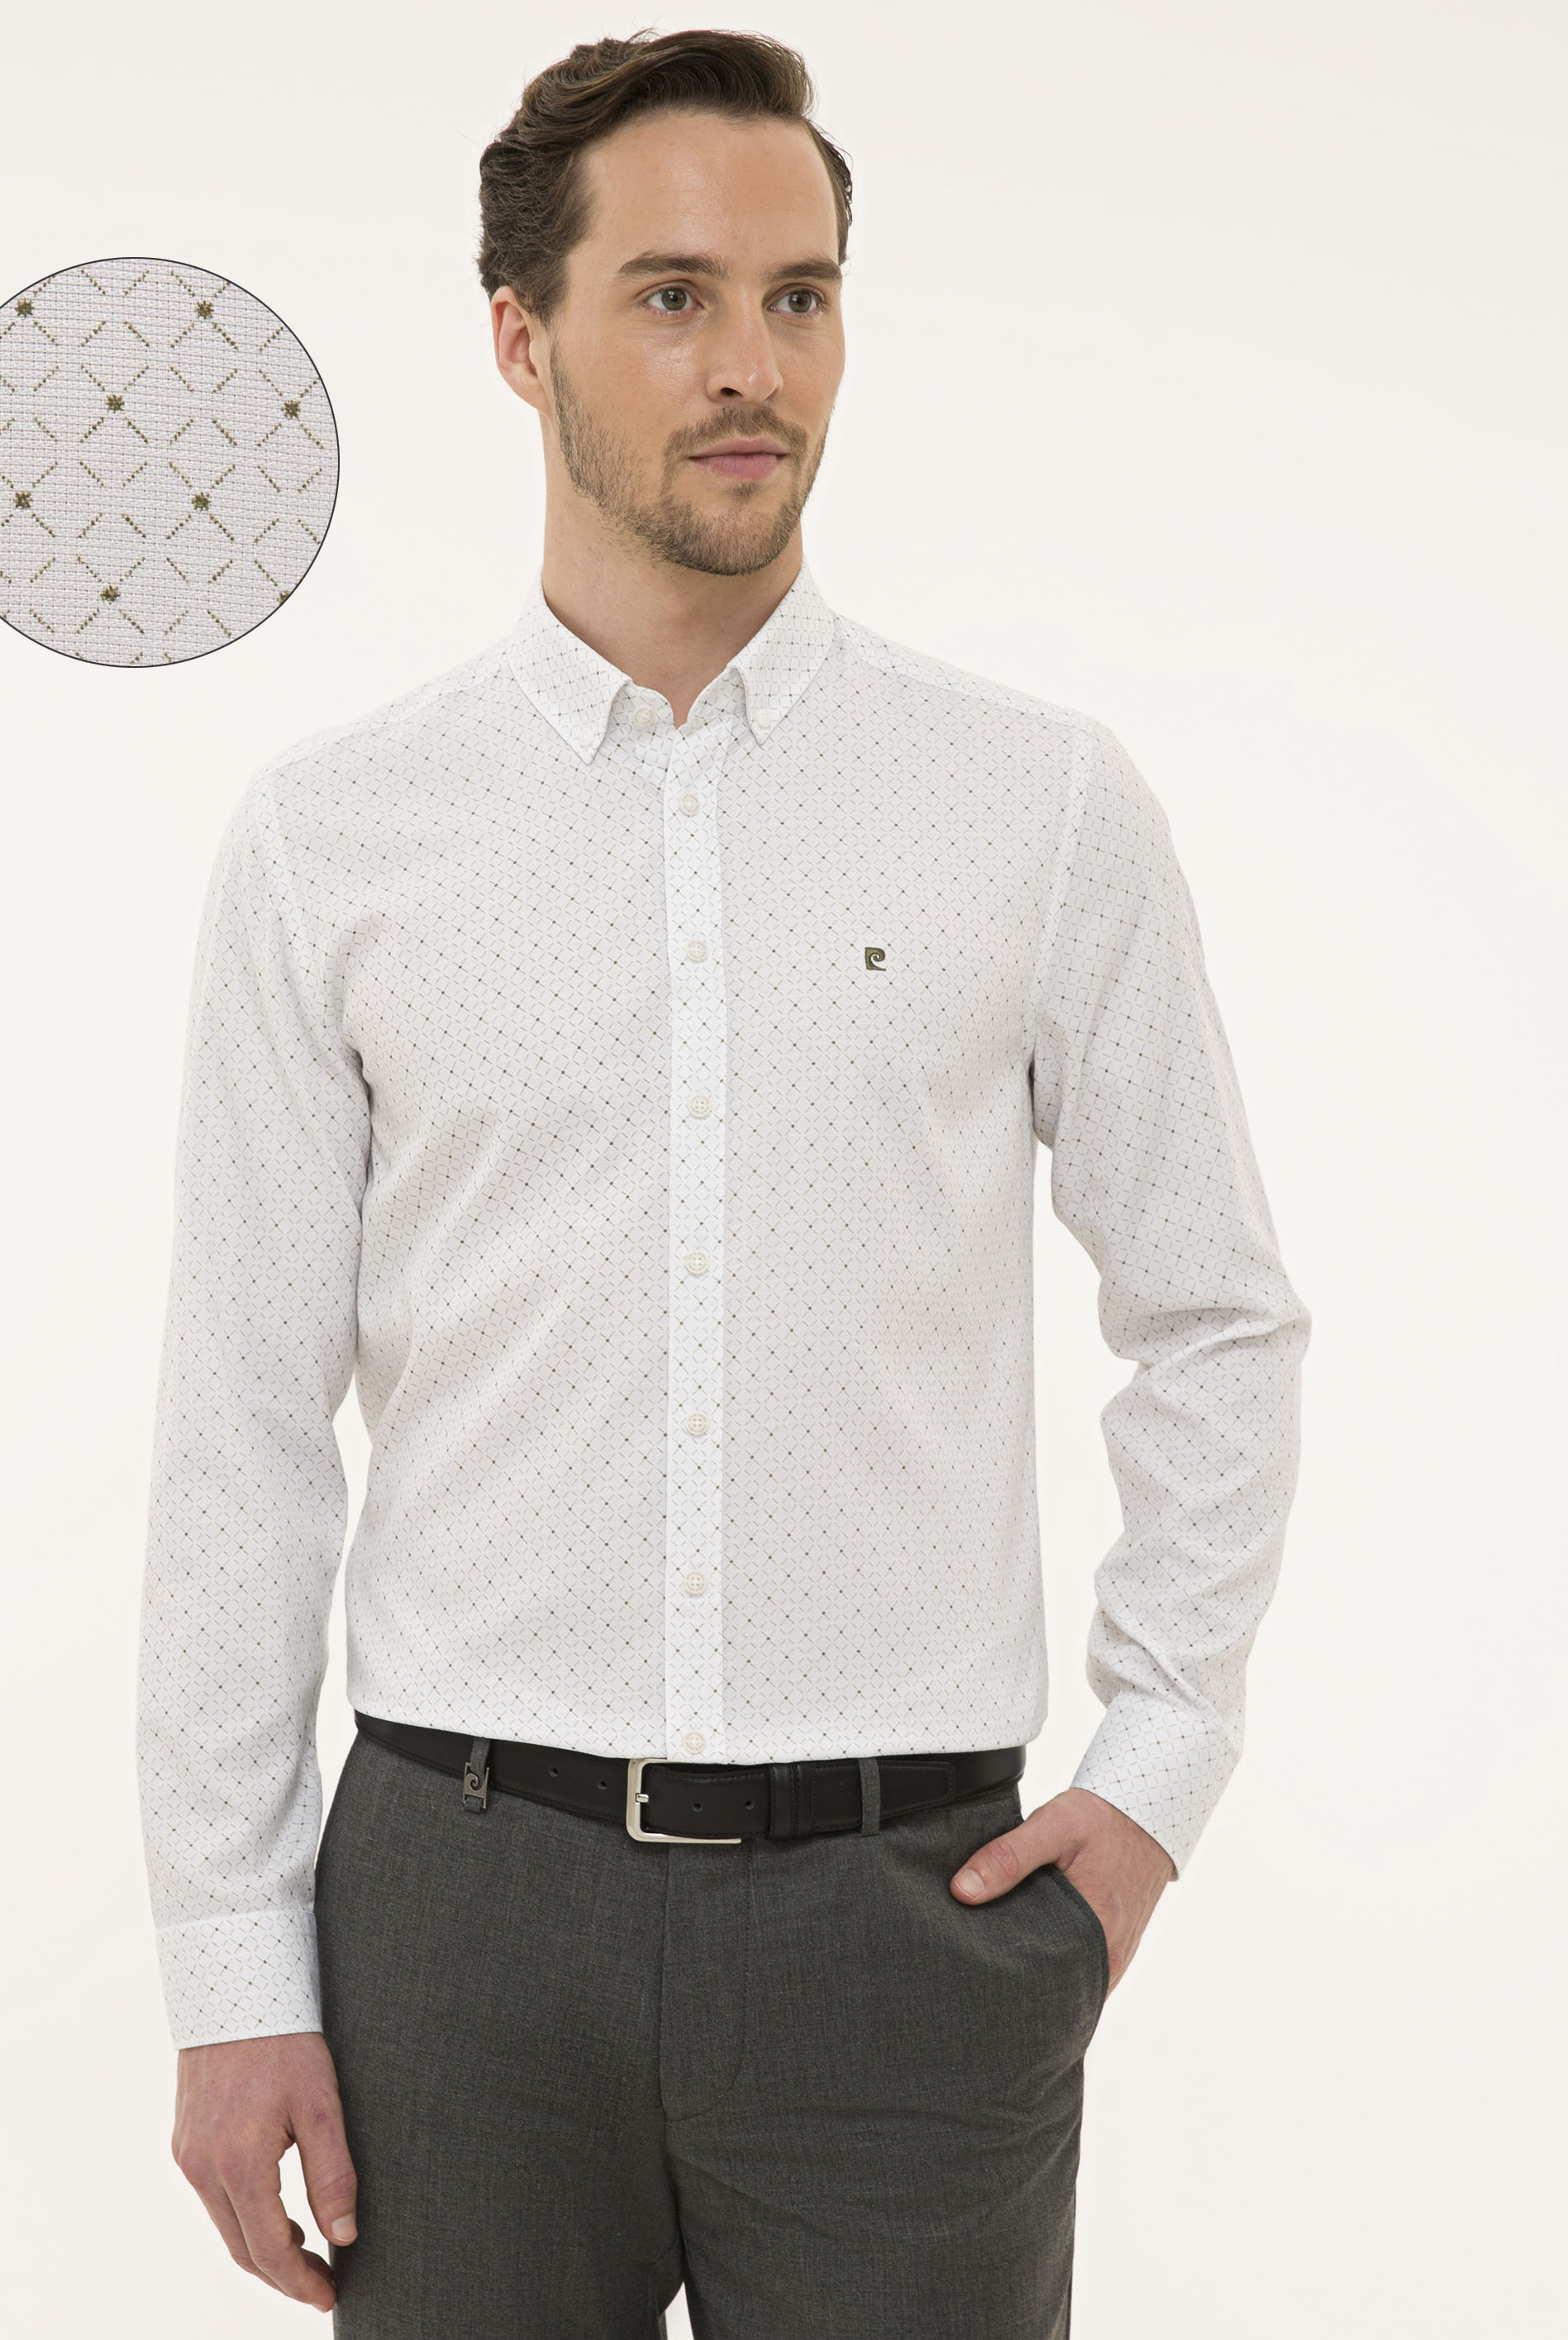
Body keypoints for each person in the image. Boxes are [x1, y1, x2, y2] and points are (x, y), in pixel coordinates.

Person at [137, 28, 1309, 2339]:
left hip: (917, 1919)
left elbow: (1214, 1314)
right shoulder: (332, 839)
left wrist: (1154, 1775)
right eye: (671, 297)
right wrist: (227, 1969)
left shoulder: (1036, 807)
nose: (750, 363)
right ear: (520, 337)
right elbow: (243, 1432)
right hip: (456, 1927)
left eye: (799, 296)